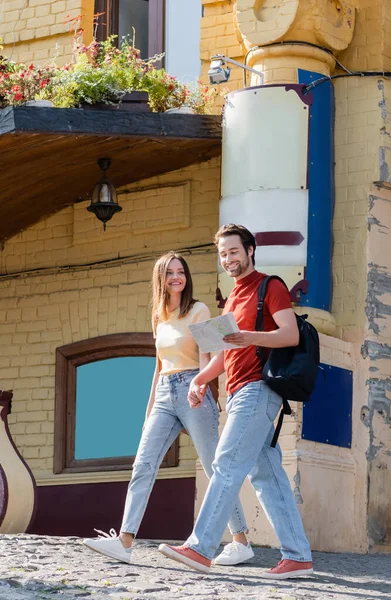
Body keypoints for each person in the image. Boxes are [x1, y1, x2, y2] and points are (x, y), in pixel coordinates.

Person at [158, 226, 313, 579]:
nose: (228, 259)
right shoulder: (231, 298)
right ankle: (299, 556)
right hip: (237, 390)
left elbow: (288, 334)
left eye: (233, 251)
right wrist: (200, 380)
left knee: (226, 462)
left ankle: (200, 547)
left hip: (259, 388)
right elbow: (226, 354)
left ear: (250, 250)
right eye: (223, 254)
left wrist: (247, 336)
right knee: (267, 476)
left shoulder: (268, 286)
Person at [83, 251, 253, 566]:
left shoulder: (199, 310)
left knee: (215, 467)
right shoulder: (159, 316)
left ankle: (240, 540)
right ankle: (125, 541)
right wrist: (149, 410)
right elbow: (159, 366)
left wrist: (201, 385)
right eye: (170, 272)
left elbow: (211, 353)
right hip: (164, 392)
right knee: (143, 465)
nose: (177, 277)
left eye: (181, 272)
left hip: (193, 389)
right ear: (160, 278)